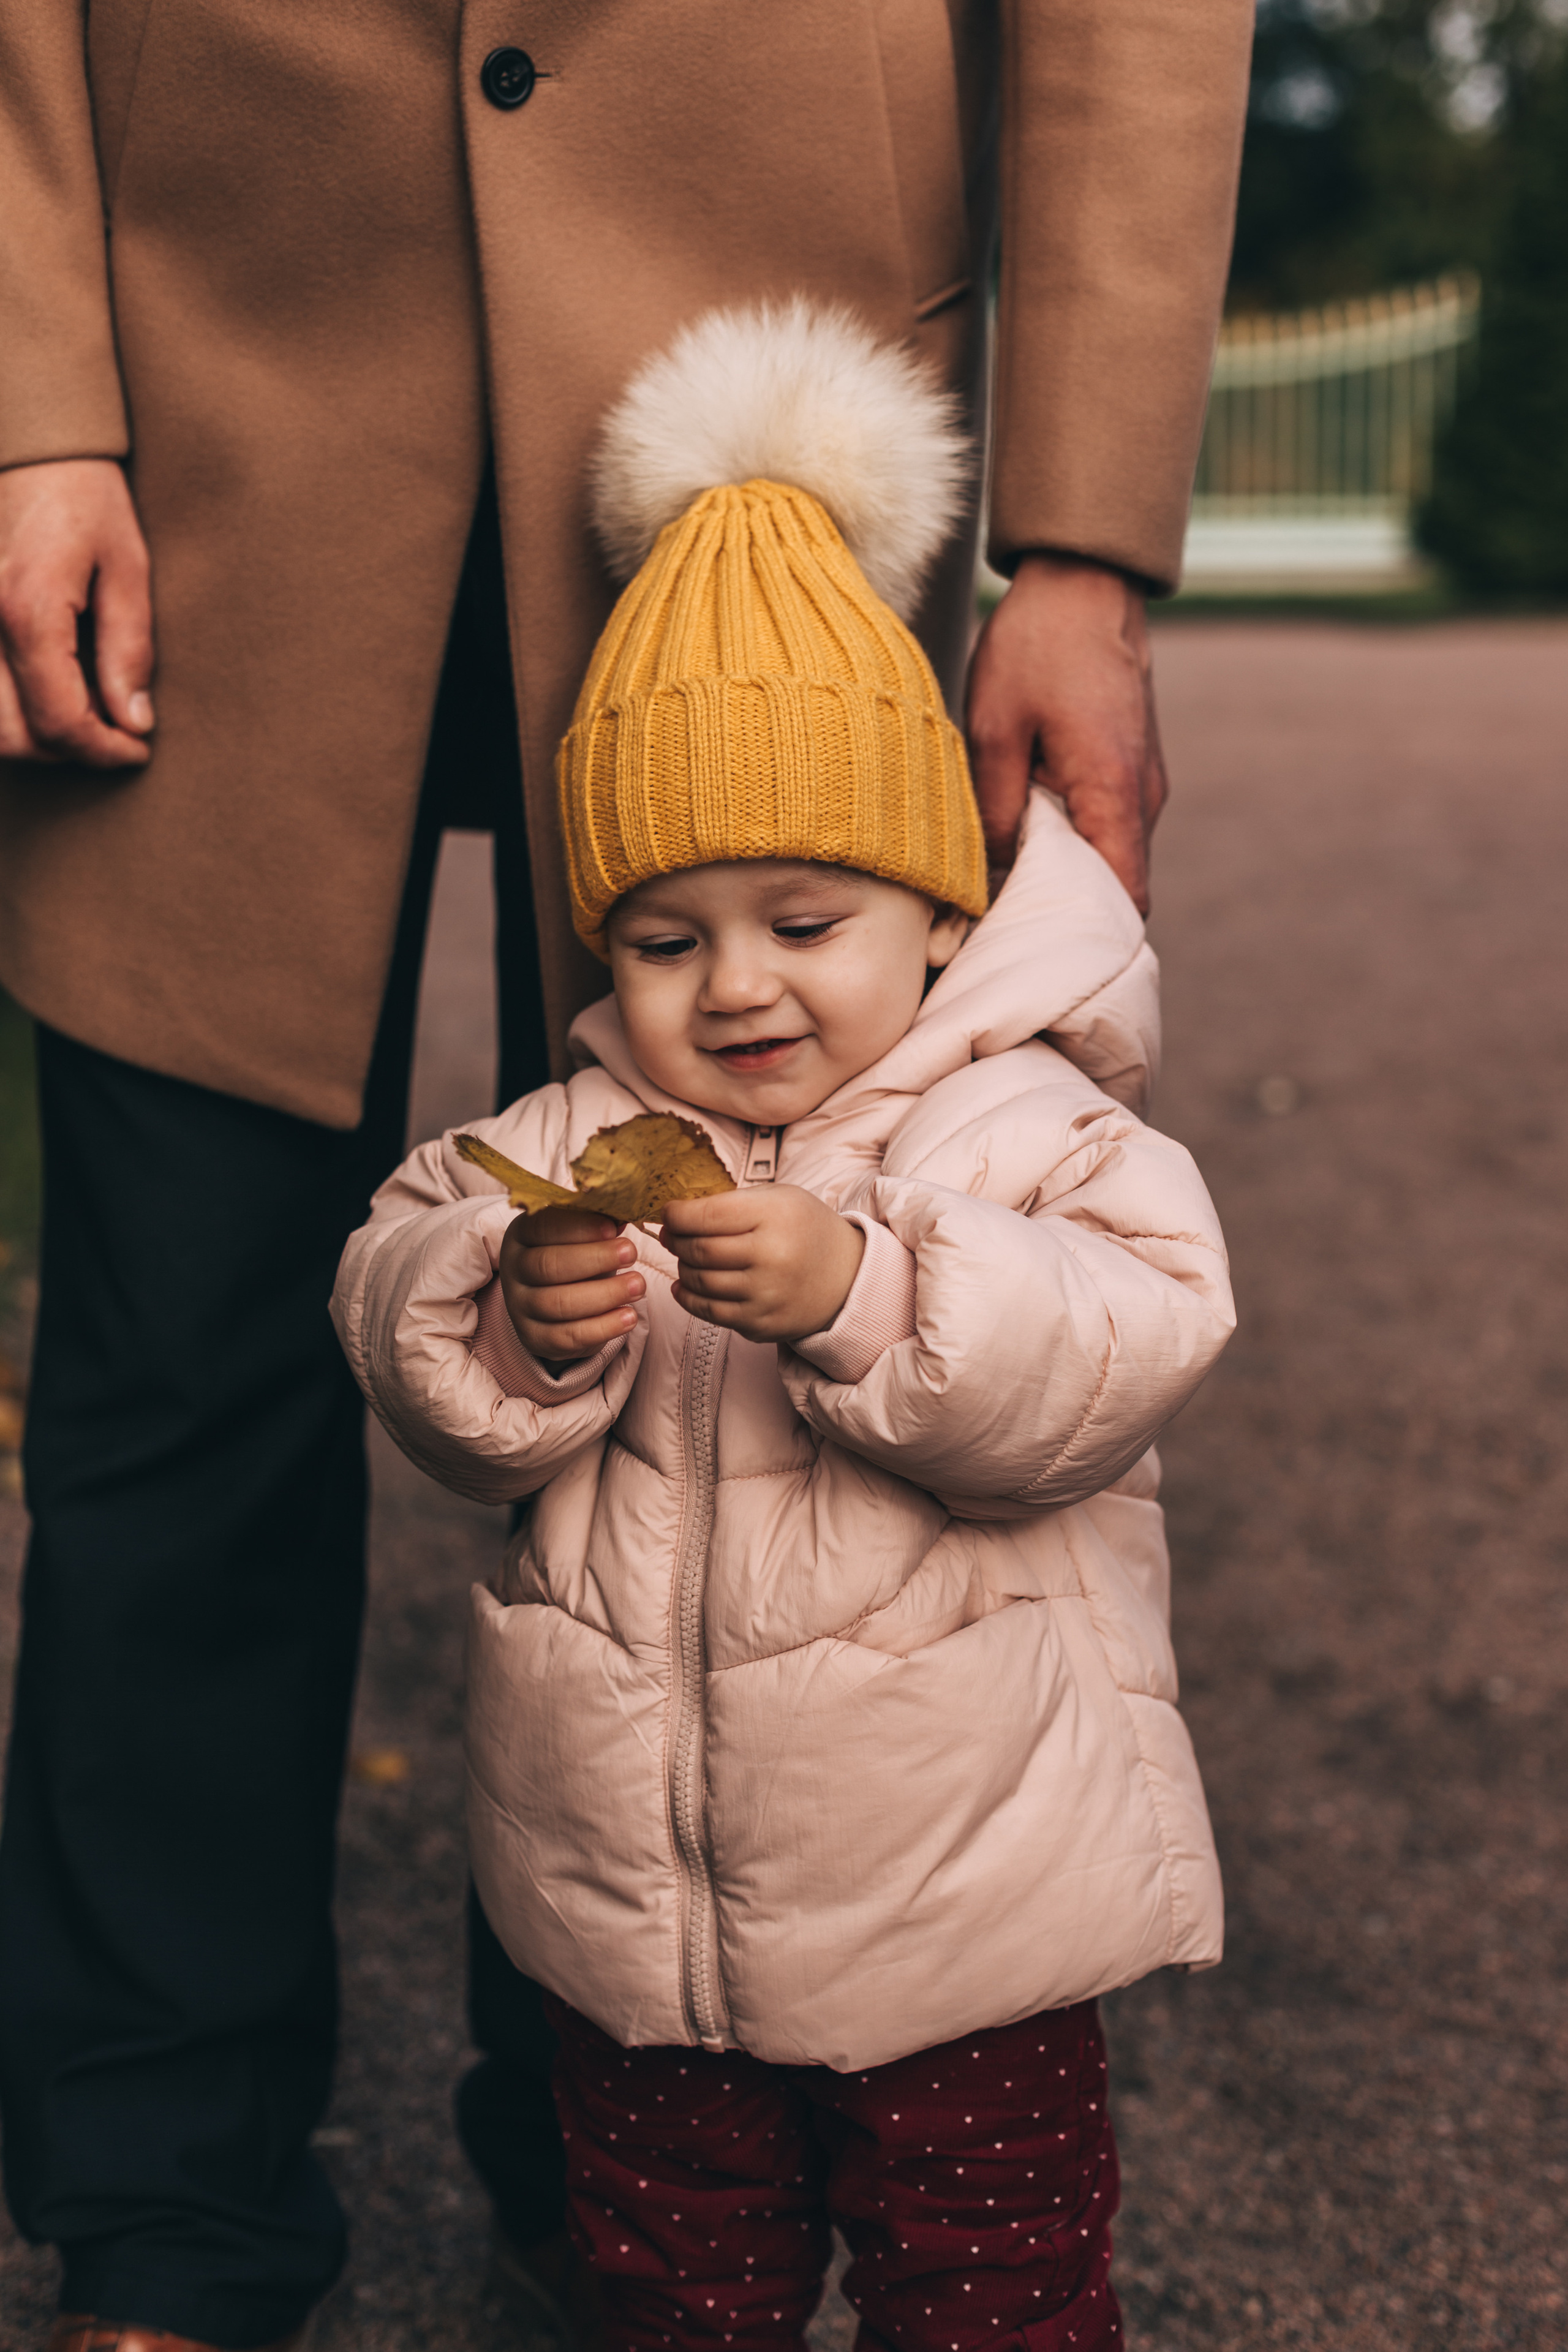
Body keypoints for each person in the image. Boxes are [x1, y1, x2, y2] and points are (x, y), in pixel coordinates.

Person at [0, 6, 1254, 2348]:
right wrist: (23, 394)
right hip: (203, 365)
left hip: (765, 409)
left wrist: (1080, 533)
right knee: (177, 1367)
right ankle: (164, 2216)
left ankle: (623, 2160)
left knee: (726, 1357)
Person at [333, 303, 1236, 2352]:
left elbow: (1137, 1333)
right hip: (646, 1928)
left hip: (965, 1929)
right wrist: (508, 1309)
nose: (733, 986)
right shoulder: (576, 1137)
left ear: (938, 908)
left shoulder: (1028, 1121)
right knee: (672, 2294)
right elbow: (391, 1276)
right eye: (664, 937)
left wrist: (875, 1293)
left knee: (989, 2296)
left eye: (805, 922)